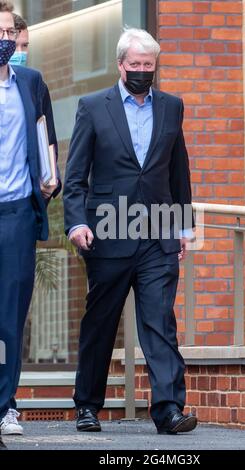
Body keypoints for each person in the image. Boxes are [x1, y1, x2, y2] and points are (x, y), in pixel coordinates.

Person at [63, 28, 196, 435]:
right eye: (135, 65)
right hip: (107, 232)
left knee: (159, 321)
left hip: (157, 235)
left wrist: (184, 226)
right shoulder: (92, 106)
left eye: (148, 65)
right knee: (101, 322)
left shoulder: (172, 107)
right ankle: (87, 405)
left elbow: (179, 171)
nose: (142, 71)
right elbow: (75, 176)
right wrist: (77, 222)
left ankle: (169, 410)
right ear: (121, 65)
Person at [0, 1, 60, 436]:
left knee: (9, 314)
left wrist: (50, 174)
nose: (5, 41)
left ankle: (5, 405)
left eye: (8, 33)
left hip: (17, 211)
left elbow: (45, 132)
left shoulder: (30, 81)